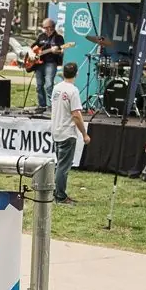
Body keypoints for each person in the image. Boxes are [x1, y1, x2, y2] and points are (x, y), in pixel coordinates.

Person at [50, 61, 90, 206]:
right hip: (67, 131)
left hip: (57, 130)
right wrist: (84, 134)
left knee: (60, 164)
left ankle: (58, 192)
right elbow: (76, 115)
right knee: (63, 167)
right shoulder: (73, 91)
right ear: (76, 74)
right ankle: (60, 196)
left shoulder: (56, 88)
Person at [30, 18, 64, 111]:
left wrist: (56, 51)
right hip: (39, 63)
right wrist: (33, 53)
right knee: (39, 85)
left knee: (49, 85)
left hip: (51, 63)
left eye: (46, 27)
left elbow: (61, 51)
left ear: (50, 27)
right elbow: (34, 47)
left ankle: (54, 106)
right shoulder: (41, 36)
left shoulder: (58, 38)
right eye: (44, 27)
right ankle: (42, 105)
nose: (45, 29)